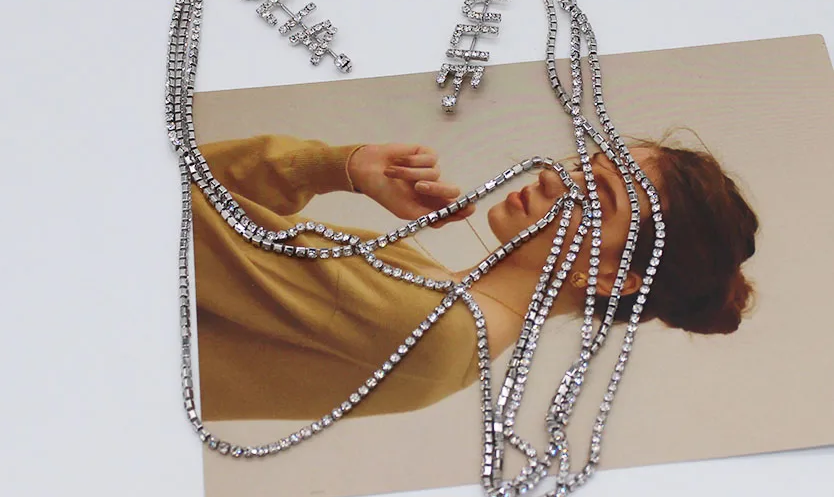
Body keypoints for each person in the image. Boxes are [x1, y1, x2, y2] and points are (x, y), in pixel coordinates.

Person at [192, 133, 758, 422]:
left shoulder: (427, 322)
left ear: (612, 277)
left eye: (595, 196)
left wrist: (329, 167)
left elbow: (167, 214)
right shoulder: (434, 310)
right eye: (582, 166)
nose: (555, 177)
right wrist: (341, 169)